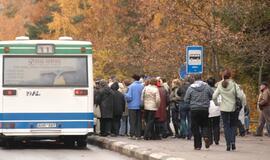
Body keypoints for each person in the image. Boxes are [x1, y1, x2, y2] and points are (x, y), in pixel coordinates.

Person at [213, 69, 244, 151]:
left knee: (226, 126)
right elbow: (241, 96)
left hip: (223, 108)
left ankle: (227, 145)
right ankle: (233, 142)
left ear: (223, 76)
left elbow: (214, 96)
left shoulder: (220, 85)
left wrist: (217, 104)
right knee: (233, 126)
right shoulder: (234, 85)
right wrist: (243, 104)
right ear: (230, 76)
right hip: (233, 108)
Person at [184, 74, 213, 150]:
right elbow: (212, 95)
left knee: (195, 126)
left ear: (194, 79)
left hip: (194, 109)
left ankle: (197, 145)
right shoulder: (207, 86)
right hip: (204, 109)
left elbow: (186, 99)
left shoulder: (191, 87)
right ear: (201, 78)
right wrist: (207, 100)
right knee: (205, 124)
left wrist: (191, 102)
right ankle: (206, 136)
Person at [125, 74, 144, 139]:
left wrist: (125, 94)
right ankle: (138, 135)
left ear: (133, 79)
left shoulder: (131, 86)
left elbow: (129, 97)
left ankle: (132, 134)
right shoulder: (142, 86)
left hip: (132, 106)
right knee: (139, 121)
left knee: (132, 121)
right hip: (140, 106)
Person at [207, 77, 221, 145]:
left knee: (209, 125)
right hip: (216, 107)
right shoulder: (217, 90)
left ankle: (210, 140)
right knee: (216, 124)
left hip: (208, 107)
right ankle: (216, 139)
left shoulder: (206, 89)